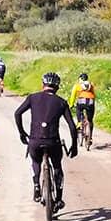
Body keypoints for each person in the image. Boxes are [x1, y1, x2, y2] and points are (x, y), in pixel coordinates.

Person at [14, 71, 78, 208]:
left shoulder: (32, 98)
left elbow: (17, 113)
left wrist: (22, 133)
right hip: (53, 141)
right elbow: (72, 127)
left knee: (35, 161)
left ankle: (36, 185)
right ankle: (59, 199)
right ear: (57, 87)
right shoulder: (61, 102)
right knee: (57, 167)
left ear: (42, 84)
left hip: (35, 140)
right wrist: (74, 146)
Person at [69, 71, 96, 143]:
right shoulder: (91, 85)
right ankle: (90, 137)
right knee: (90, 120)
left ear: (80, 79)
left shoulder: (77, 85)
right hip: (91, 102)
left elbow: (73, 96)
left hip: (81, 102)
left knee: (78, 109)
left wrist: (71, 105)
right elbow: (93, 95)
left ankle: (79, 123)